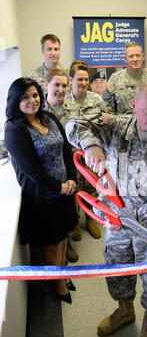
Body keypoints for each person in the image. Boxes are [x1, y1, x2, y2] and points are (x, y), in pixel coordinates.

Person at [66, 80, 147, 337]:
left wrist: (133, 216)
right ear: (133, 106)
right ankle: (125, 310)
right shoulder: (116, 125)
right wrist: (90, 145)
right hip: (116, 223)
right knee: (117, 269)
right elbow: (74, 125)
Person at [5, 78, 77, 304]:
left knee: (64, 233)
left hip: (65, 189)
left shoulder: (49, 117)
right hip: (43, 195)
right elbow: (30, 169)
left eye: (35, 95)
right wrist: (58, 187)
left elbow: (66, 149)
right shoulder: (14, 129)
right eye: (25, 97)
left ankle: (63, 272)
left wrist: (72, 179)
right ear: (16, 100)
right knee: (52, 240)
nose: (32, 100)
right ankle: (57, 282)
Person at [66, 62, 110, 240]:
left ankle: (91, 220)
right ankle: (75, 222)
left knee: (93, 187)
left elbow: (107, 125)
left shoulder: (96, 100)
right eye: (79, 79)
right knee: (74, 188)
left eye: (85, 79)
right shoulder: (64, 101)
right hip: (71, 155)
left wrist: (105, 150)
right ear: (71, 80)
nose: (83, 83)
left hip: (92, 155)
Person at [44, 68, 80, 263]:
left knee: (69, 205)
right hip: (49, 168)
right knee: (54, 213)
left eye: (64, 85)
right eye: (56, 84)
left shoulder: (73, 109)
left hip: (69, 163)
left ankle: (67, 240)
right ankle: (60, 245)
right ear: (46, 85)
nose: (60, 89)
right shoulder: (37, 111)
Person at [101, 42, 147, 114]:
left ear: (143, 57)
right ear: (125, 59)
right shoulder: (115, 79)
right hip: (122, 124)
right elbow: (107, 107)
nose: (135, 59)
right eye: (131, 56)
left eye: (138, 55)